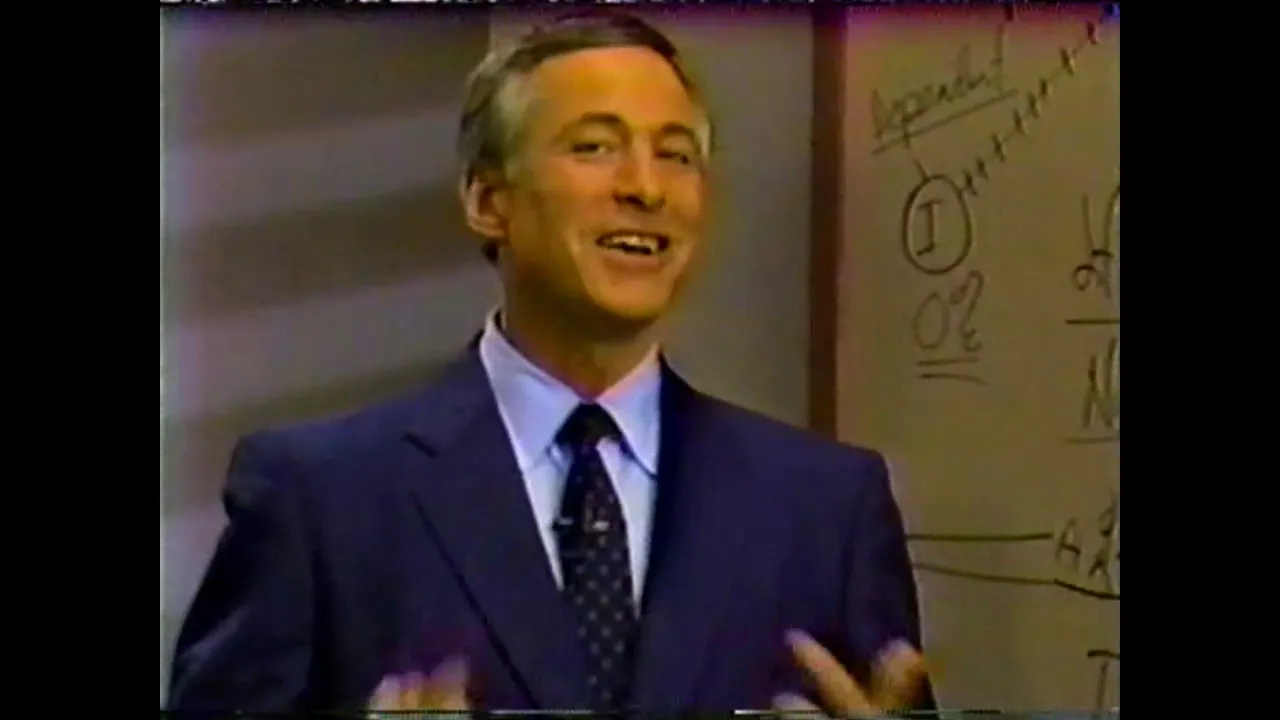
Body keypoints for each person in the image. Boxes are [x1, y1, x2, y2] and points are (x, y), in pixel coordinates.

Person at [166, 11, 934, 717]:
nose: (645, 188)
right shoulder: (320, 501)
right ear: (487, 201)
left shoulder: (826, 511)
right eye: (594, 147)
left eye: (676, 155)